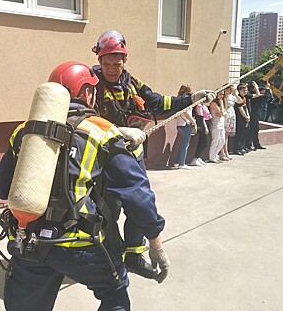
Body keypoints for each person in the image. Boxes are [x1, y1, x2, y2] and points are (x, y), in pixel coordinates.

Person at [0, 61, 170, 311]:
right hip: (82, 245)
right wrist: (155, 242)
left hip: (30, 242)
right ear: (86, 92)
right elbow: (136, 193)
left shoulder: (25, 131)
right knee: (114, 292)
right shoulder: (101, 131)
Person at [91, 30, 214, 276]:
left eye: (117, 63)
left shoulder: (132, 82)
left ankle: (134, 256)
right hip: (103, 158)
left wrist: (191, 98)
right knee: (107, 211)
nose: (112, 69)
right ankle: (107, 256)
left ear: (125, 61)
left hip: (132, 156)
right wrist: (118, 130)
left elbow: (159, 103)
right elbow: (81, 117)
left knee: (140, 205)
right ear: (99, 61)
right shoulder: (91, 83)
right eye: (107, 64)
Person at [171, 85, 196, 169]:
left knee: (182, 144)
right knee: (185, 145)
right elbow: (186, 113)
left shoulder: (179, 100)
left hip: (179, 124)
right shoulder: (186, 101)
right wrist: (193, 122)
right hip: (185, 125)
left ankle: (177, 162)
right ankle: (182, 163)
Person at [221, 85, 242, 160]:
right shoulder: (223, 97)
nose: (230, 91)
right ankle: (223, 152)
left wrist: (235, 93)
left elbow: (240, 101)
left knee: (227, 135)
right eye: (229, 90)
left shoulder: (232, 97)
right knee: (224, 135)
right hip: (226, 115)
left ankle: (226, 152)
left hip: (231, 115)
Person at [246, 81, 265, 150]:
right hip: (251, 113)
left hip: (256, 113)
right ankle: (249, 144)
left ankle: (256, 143)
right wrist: (256, 86)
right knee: (251, 129)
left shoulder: (257, 93)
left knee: (256, 129)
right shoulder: (250, 94)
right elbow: (258, 94)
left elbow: (265, 95)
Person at [208, 91, 226, 163]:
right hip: (216, 125)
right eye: (220, 94)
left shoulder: (220, 103)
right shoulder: (213, 103)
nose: (222, 96)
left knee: (222, 141)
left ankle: (215, 155)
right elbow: (221, 112)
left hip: (221, 124)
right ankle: (212, 157)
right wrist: (221, 104)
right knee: (215, 141)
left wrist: (222, 112)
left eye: (223, 94)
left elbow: (224, 112)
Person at [233, 83, 251, 155]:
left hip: (245, 117)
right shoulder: (238, 98)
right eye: (243, 90)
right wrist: (245, 116)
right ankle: (237, 148)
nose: (245, 92)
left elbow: (245, 108)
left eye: (246, 90)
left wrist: (248, 116)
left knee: (244, 132)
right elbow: (240, 109)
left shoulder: (244, 98)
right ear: (239, 90)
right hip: (239, 117)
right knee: (239, 133)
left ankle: (242, 147)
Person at [191, 102, 210, 166]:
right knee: (204, 142)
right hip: (202, 125)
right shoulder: (199, 106)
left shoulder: (204, 105)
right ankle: (195, 158)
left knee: (202, 142)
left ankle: (198, 157)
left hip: (207, 123)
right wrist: (205, 127)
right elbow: (201, 118)